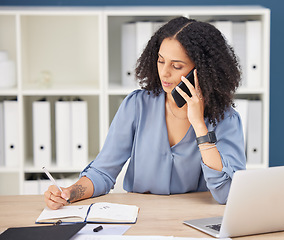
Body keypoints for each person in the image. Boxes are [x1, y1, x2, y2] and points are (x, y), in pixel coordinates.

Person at [44, 16, 246, 210]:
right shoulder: (137, 105)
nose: (164, 72)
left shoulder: (225, 119)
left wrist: (200, 127)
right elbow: (102, 172)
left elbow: (227, 193)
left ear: (201, 71)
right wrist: (69, 192)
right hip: (140, 218)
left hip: (193, 222)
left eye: (176, 66)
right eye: (160, 61)